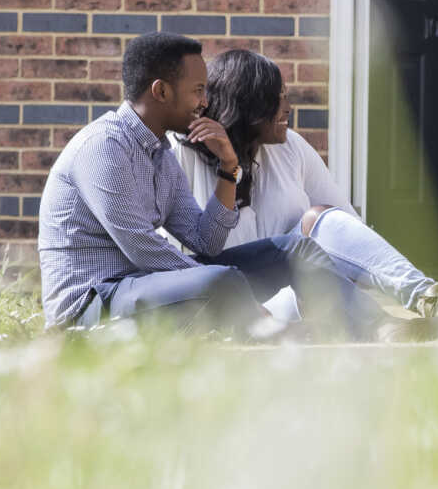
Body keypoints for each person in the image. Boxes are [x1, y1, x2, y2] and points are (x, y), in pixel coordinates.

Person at [37, 32, 387, 338]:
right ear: (161, 91)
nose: (205, 102)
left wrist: (228, 168)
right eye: (198, 90)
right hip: (94, 304)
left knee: (295, 253)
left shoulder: (160, 155)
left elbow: (206, 240)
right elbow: (142, 249)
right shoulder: (103, 147)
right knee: (220, 281)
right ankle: (280, 337)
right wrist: (227, 283)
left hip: (146, 287)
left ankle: (381, 327)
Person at [167, 47, 438, 321]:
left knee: (319, 218)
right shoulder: (180, 153)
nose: (288, 108)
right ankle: (377, 322)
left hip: (297, 292)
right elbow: (167, 259)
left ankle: (430, 298)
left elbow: (343, 232)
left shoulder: (291, 147)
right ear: (247, 105)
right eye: (277, 98)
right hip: (228, 299)